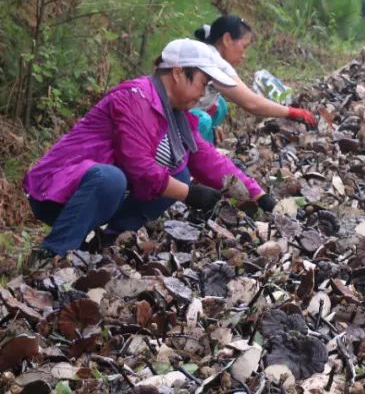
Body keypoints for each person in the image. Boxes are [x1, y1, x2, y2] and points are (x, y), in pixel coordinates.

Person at [22, 39, 277, 259]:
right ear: (178, 72)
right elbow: (139, 167)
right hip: (57, 193)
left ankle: (109, 243)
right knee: (113, 178)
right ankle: (53, 253)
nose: (202, 94)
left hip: (100, 194)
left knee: (178, 173)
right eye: (202, 82)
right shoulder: (136, 97)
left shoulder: (176, 115)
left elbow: (207, 158)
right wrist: (190, 194)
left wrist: (258, 196)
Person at [191, 15, 316, 142]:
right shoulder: (214, 61)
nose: (244, 55)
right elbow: (251, 103)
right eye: (244, 47)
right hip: (173, 118)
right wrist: (292, 112)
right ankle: (187, 157)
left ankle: (205, 143)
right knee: (202, 121)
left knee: (220, 105)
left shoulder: (210, 53)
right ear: (227, 39)